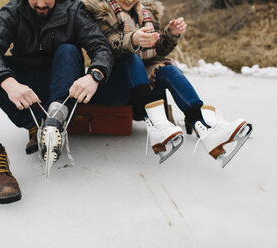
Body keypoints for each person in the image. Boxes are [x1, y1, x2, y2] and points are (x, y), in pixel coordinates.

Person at [0, 0, 116, 203]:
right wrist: (8, 82)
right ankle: (35, 124)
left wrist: (94, 75)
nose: (41, 3)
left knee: (68, 49)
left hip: (63, 81)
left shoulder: (74, 9)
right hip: (26, 85)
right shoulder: (13, 10)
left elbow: (101, 47)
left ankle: (55, 121)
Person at [82, 0, 252, 165]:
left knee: (169, 70)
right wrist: (133, 40)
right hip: (113, 86)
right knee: (131, 58)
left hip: (140, 86)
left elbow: (157, 52)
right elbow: (108, 47)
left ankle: (205, 127)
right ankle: (156, 125)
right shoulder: (101, 12)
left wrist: (170, 34)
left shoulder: (147, 12)